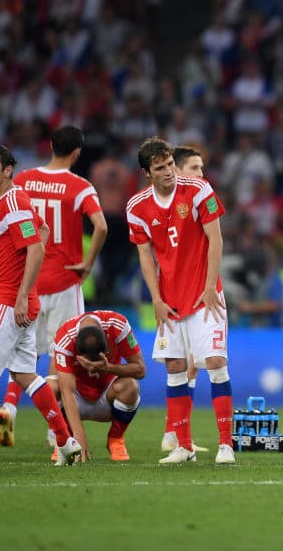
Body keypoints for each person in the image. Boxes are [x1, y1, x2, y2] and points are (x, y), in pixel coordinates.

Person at [0, 143, 82, 468]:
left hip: (9, 300)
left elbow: (37, 247)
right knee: (25, 373)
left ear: (8, 170)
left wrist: (23, 293)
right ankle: (66, 442)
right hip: (18, 300)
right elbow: (42, 228)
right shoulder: (8, 203)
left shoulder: (12, 202)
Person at [0, 126, 108, 449]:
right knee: (60, 357)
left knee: (23, 352)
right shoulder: (80, 186)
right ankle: (53, 428)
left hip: (28, 281)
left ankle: (9, 406)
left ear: (50, 146)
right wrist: (88, 263)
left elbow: (3, 215)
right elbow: (100, 225)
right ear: (76, 153)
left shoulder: (24, 180)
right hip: (64, 281)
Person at [127, 137, 234, 465]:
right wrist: (156, 299)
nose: (169, 172)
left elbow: (215, 237)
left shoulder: (199, 190)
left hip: (205, 297)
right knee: (175, 368)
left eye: (170, 164)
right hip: (170, 301)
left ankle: (226, 445)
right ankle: (183, 446)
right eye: (160, 168)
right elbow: (145, 256)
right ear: (147, 172)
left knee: (215, 363)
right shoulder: (136, 207)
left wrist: (210, 286)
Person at [158, 145, 210, 455]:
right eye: (194, 168)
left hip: (191, 290)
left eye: (202, 168)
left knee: (190, 366)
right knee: (181, 365)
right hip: (176, 295)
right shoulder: (166, 205)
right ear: (176, 170)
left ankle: (174, 434)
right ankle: (174, 434)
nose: (201, 174)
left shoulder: (194, 199)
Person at [54, 310, 146, 462]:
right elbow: (67, 391)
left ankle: (115, 439)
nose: (92, 372)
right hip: (76, 399)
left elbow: (141, 370)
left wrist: (107, 368)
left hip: (107, 395)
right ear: (77, 351)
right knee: (51, 387)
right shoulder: (65, 337)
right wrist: (79, 440)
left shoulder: (118, 325)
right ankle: (66, 441)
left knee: (131, 387)